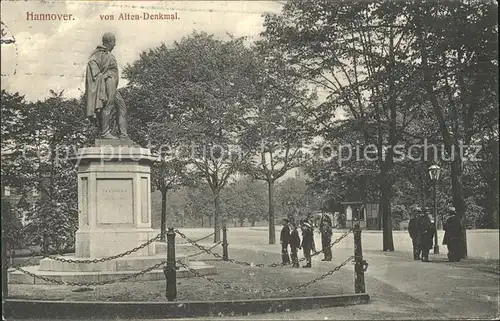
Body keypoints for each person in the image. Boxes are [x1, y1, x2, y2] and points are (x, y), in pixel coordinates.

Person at [85, 32, 129, 139]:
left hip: (114, 85)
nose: (114, 45)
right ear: (110, 41)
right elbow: (92, 64)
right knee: (108, 106)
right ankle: (105, 133)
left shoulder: (108, 54)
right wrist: (102, 76)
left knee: (122, 108)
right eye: (114, 42)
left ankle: (123, 135)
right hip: (108, 82)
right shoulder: (99, 53)